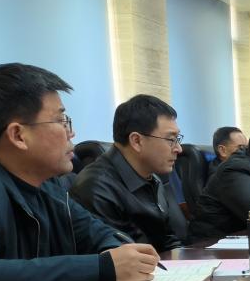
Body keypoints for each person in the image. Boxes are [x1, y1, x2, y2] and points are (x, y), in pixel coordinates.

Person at [0, 63, 161, 281]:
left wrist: (125, 256)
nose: (71, 133)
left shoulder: (51, 187)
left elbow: (99, 234)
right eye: (61, 121)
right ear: (18, 135)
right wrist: (102, 268)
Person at [71, 95, 187, 252]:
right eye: (171, 139)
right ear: (137, 141)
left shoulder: (153, 178)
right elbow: (122, 258)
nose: (179, 149)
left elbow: (167, 241)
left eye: (177, 139)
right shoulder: (97, 188)